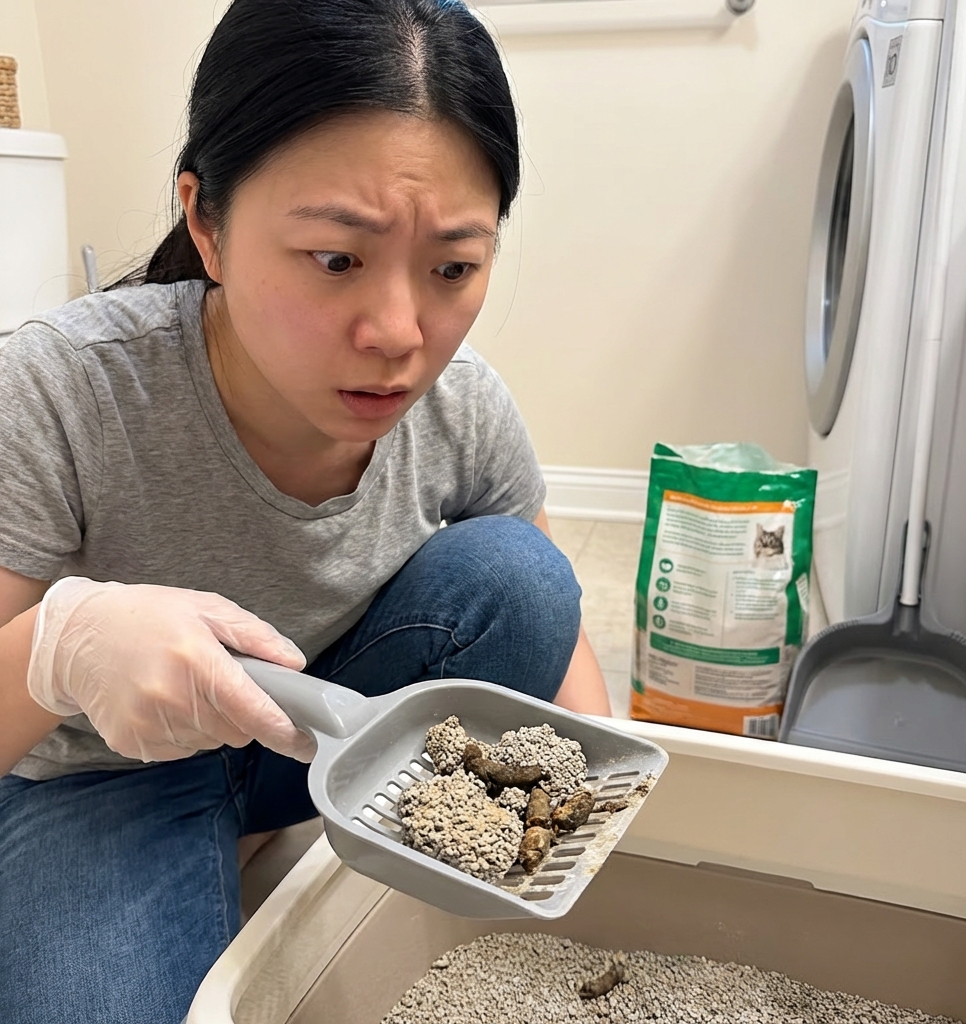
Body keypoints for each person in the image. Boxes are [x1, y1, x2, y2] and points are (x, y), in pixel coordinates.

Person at [0, 1, 610, 1019]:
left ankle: (268, 825)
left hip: (327, 735)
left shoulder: (464, 410)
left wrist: (604, 811)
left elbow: (555, 636)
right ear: (207, 221)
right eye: (335, 260)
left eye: (453, 268)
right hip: (105, 775)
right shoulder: (60, 393)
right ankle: (209, 839)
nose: (398, 333)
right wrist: (55, 649)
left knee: (517, 575)